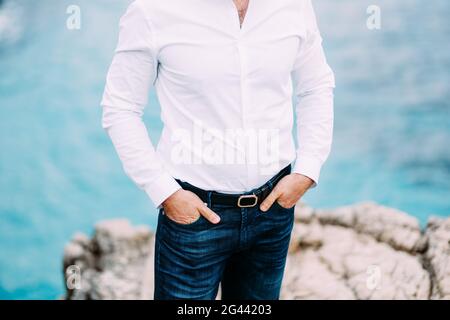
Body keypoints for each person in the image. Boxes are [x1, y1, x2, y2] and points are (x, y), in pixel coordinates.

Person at [101, 0, 335, 300]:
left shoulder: (294, 5)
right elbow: (120, 107)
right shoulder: (152, 10)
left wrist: (307, 169)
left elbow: (315, 86)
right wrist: (165, 192)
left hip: (273, 211)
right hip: (194, 216)